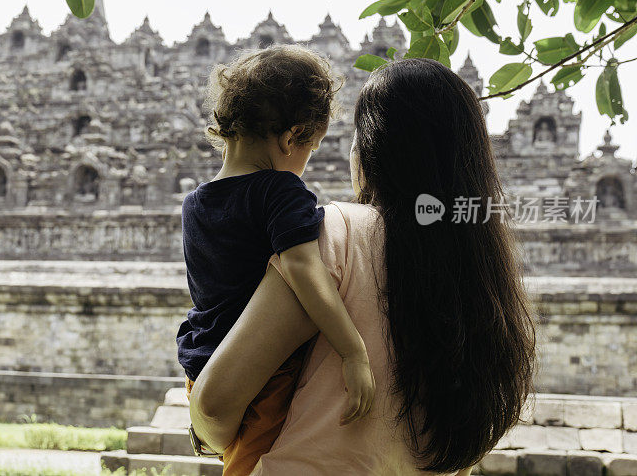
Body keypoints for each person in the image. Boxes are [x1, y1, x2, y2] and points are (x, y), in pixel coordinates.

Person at [188, 58, 537, 475]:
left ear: (370, 150)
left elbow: (215, 404)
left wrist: (205, 431)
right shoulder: (483, 270)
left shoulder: (335, 235)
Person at [177, 45, 376, 475]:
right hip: (261, 377)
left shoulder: (194, 203)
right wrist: (353, 350)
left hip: (200, 361)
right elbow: (304, 270)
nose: (306, 162)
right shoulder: (280, 191)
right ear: (291, 137)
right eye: (313, 148)